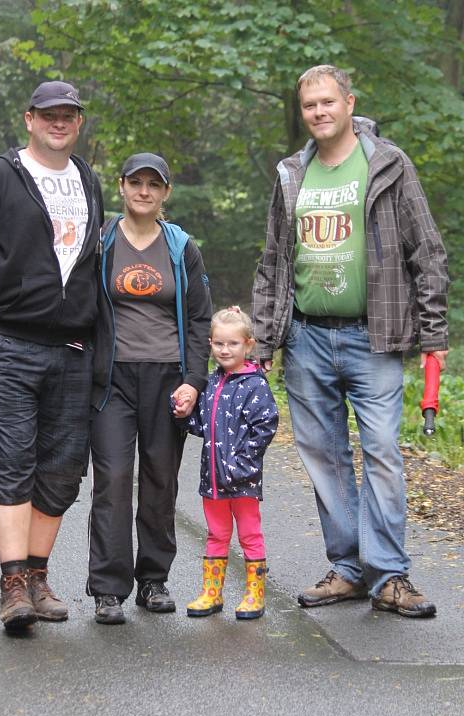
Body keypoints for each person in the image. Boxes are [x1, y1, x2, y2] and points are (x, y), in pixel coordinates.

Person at [252, 65, 449, 619]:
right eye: (309, 104)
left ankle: (389, 575)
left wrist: (433, 332)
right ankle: (348, 569)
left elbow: (426, 252)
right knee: (324, 458)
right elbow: (274, 261)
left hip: (376, 335)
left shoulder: (387, 163)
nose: (318, 112)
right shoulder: (292, 173)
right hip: (307, 337)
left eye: (327, 102)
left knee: (382, 453)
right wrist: (265, 339)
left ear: (348, 103)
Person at [0, 81, 104, 631]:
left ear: (77, 123)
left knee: (61, 470)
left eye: (69, 115)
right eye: (49, 115)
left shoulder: (87, 179)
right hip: (7, 343)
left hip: (73, 347)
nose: (59, 122)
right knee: (11, 460)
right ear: (30, 119)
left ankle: (39, 576)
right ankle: (12, 584)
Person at [88, 152, 212, 624]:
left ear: (165, 193)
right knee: (114, 479)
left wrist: (194, 381)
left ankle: (154, 580)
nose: (144, 191)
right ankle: (107, 588)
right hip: (112, 380)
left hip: (167, 379)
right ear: (121, 186)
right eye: (135, 182)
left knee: (160, 480)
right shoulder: (101, 242)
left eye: (153, 184)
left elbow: (200, 318)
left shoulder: (181, 248)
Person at [183, 307, 278, 620]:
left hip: (243, 480)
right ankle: (212, 593)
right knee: (215, 534)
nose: (225, 350)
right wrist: (183, 412)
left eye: (233, 344)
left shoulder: (254, 384)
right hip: (212, 480)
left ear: (248, 345)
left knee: (250, 534)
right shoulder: (211, 382)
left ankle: (254, 594)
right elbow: (201, 424)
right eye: (219, 344)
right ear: (210, 344)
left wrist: (244, 461)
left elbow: (265, 425)